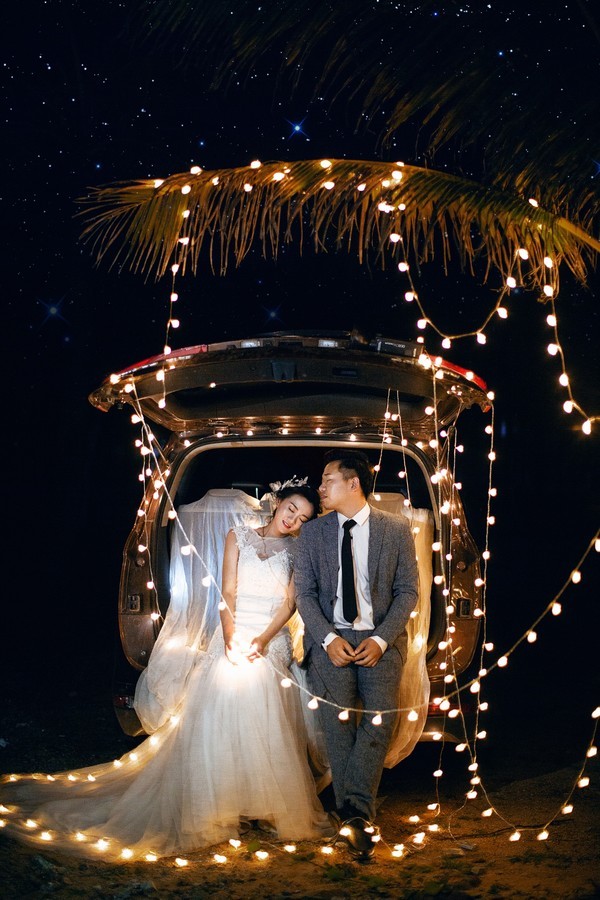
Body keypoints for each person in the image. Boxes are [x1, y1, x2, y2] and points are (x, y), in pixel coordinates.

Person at [0, 481, 332, 860]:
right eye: (291, 509)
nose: (293, 520)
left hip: (270, 636)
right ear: (279, 502)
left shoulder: (299, 550)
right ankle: (227, 804)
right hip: (235, 629)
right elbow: (226, 593)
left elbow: (290, 603)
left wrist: (264, 639)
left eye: (303, 518)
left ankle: (268, 805)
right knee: (222, 713)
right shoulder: (237, 536)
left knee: (265, 715)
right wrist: (230, 637)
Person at [294, 450, 419, 860]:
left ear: (353, 483)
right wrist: (328, 638)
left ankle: (350, 812)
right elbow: (304, 595)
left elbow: (408, 592)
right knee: (337, 724)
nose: (320, 488)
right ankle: (359, 816)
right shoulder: (313, 533)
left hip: (379, 640)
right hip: (330, 639)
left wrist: (381, 639)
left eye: (327, 480)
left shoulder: (396, 529)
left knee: (380, 720)